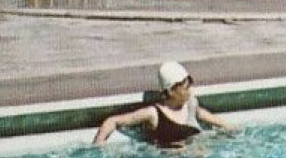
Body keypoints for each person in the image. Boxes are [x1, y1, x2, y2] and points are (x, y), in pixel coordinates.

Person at [92, 61, 237, 147]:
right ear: (171, 91)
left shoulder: (191, 105)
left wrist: (228, 127)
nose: (189, 91)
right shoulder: (154, 114)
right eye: (185, 88)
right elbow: (113, 121)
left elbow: (203, 114)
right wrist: (98, 145)